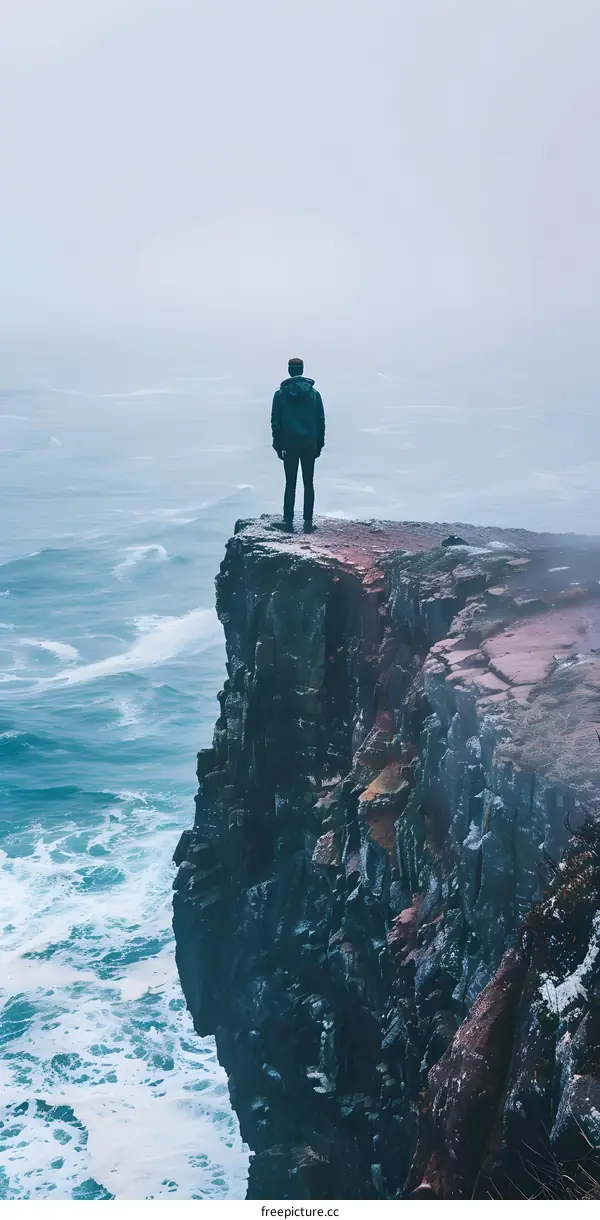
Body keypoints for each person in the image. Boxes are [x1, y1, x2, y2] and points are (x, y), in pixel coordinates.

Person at [271, 357, 325, 532]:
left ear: (289, 371)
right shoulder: (314, 394)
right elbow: (321, 421)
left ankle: (288, 521)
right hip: (309, 443)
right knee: (308, 482)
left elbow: (275, 422)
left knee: (290, 483)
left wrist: (278, 445)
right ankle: (308, 523)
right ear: (302, 370)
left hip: (289, 445)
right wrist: (319, 445)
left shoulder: (280, 395)